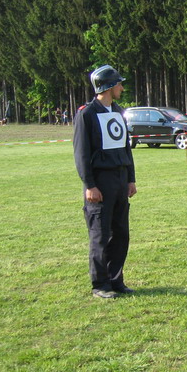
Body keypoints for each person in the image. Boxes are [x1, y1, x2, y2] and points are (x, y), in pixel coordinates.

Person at [73, 65, 137, 299]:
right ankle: (100, 284)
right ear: (109, 86)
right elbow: (81, 153)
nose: (122, 88)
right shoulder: (87, 114)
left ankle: (116, 280)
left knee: (120, 234)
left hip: (120, 180)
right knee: (100, 235)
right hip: (100, 182)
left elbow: (125, 148)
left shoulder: (118, 111)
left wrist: (130, 179)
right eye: (119, 84)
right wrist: (89, 184)